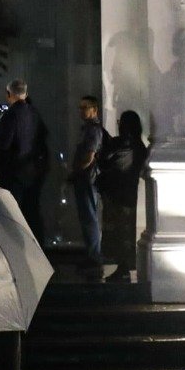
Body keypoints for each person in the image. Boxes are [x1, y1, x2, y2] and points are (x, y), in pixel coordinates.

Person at [0, 79, 50, 244]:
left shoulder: (10, 115)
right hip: (33, 172)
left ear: (9, 94)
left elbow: (4, 143)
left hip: (13, 172)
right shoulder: (34, 113)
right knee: (32, 213)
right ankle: (38, 253)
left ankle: (17, 252)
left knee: (12, 214)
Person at [99, 111, 149, 282]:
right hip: (130, 192)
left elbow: (103, 159)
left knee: (116, 232)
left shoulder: (119, 143)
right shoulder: (140, 146)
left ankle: (122, 268)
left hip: (115, 192)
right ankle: (125, 267)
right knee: (127, 232)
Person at [70, 96, 106, 275]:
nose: (81, 111)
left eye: (85, 107)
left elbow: (89, 156)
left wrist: (77, 170)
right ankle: (92, 254)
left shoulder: (92, 130)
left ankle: (94, 256)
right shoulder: (88, 129)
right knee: (87, 216)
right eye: (80, 107)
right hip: (84, 177)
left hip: (87, 177)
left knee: (89, 216)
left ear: (94, 109)